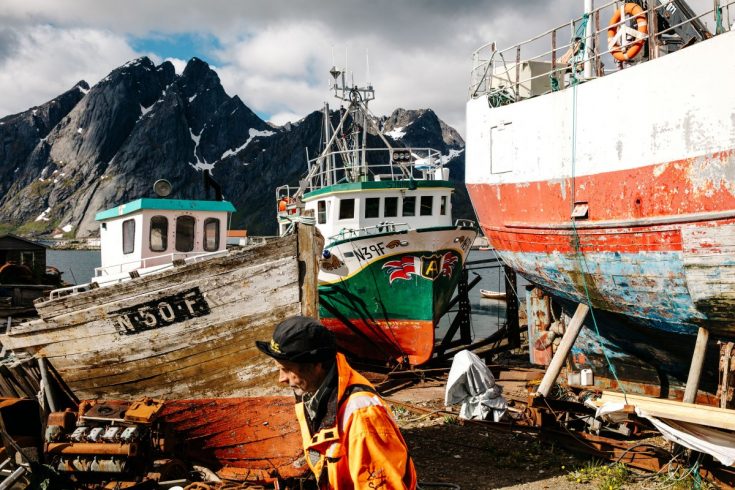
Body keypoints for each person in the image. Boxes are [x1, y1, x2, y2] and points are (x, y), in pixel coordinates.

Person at [256, 316, 417, 489]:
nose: (281, 379)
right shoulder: (313, 391)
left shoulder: (362, 419)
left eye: (287, 370)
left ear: (316, 364)